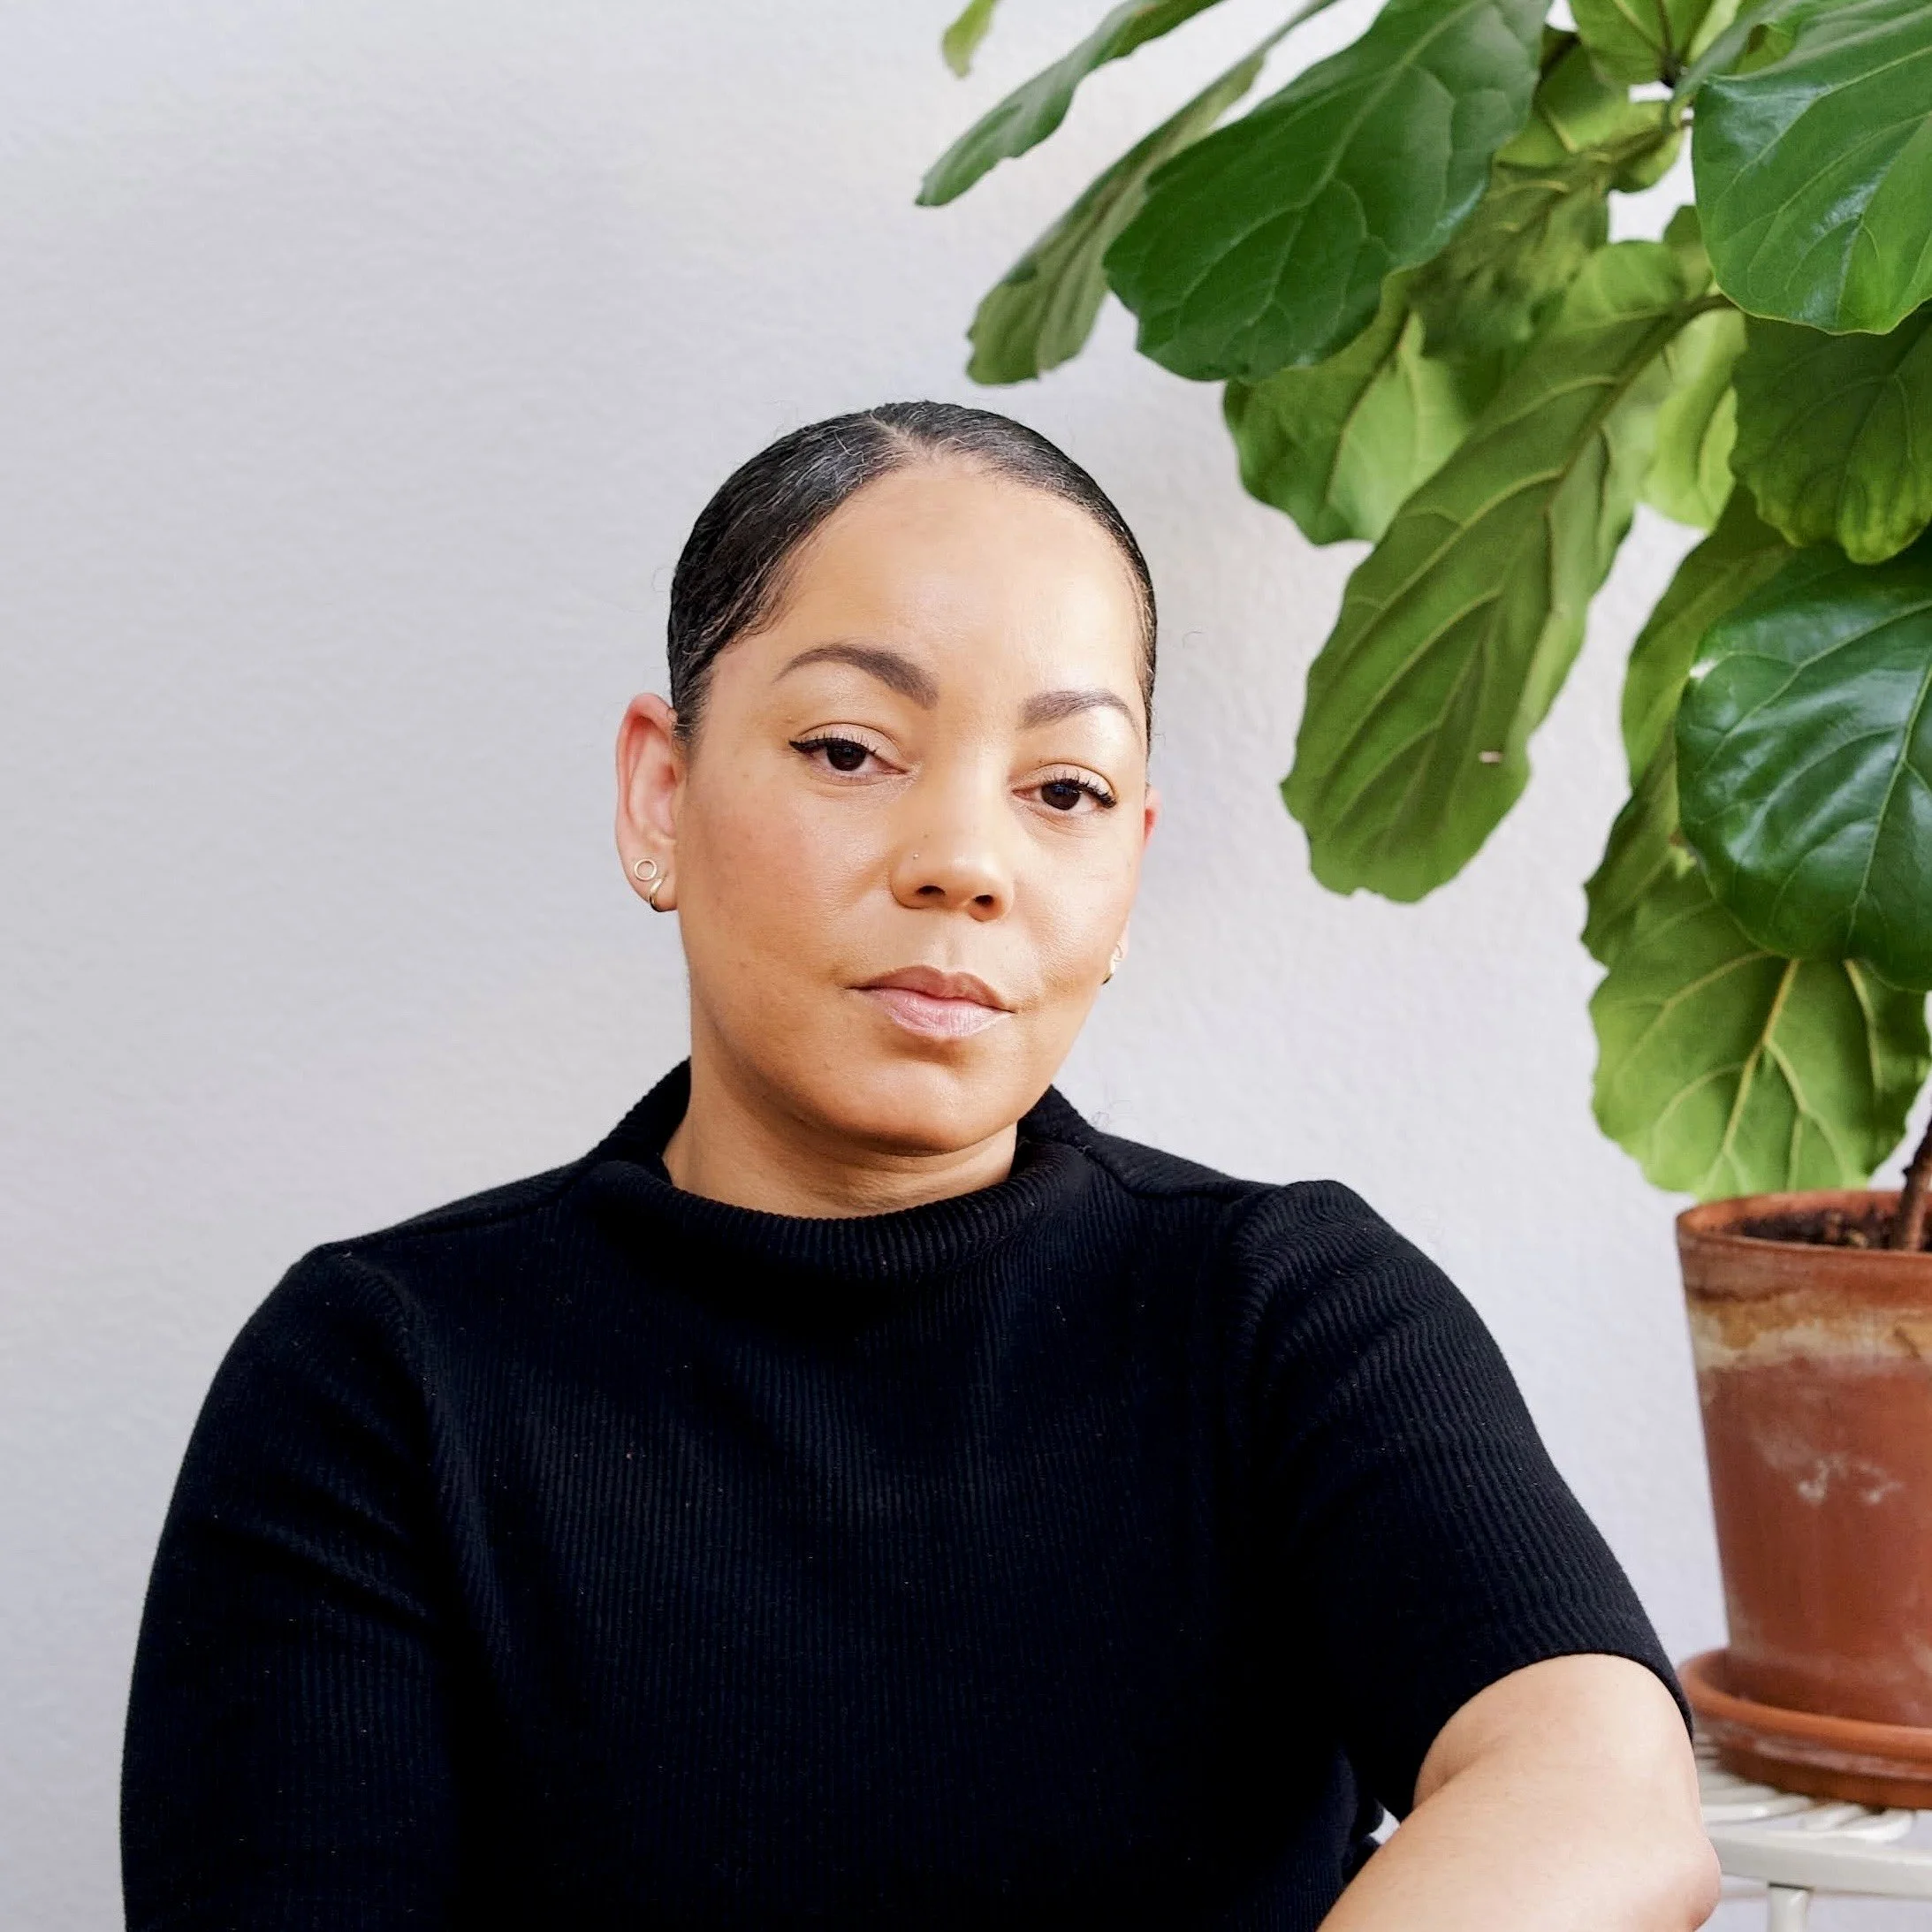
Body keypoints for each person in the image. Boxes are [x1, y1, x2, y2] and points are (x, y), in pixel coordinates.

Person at [121, 401, 1719, 1931]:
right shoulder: (380, 1376)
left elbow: (1599, 1793)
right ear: (658, 793)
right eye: (848, 748)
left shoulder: (1280, 1310)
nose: (964, 858)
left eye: (1063, 790)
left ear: (1128, 863)